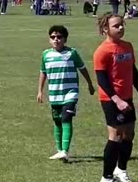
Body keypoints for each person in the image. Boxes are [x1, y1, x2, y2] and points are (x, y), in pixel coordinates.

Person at [93, 14, 138, 182]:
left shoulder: (127, 46)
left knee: (129, 134)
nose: (121, 28)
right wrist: (116, 100)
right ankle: (106, 178)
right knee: (114, 136)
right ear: (105, 29)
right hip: (110, 99)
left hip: (127, 96)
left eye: (122, 25)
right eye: (116, 26)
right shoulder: (102, 51)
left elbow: (133, 71)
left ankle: (120, 170)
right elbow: (102, 80)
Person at [36, 25, 95, 162]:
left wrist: (90, 84)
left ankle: (65, 151)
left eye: (59, 37)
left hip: (70, 92)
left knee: (66, 118)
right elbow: (43, 72)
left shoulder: (72, 53)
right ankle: (59, 150)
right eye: (53, 37)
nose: (56, 39)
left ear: (65, 39)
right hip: (54, 93)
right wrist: (40, 91)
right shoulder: (46, 55)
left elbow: (82, 68)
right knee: (57, 121)